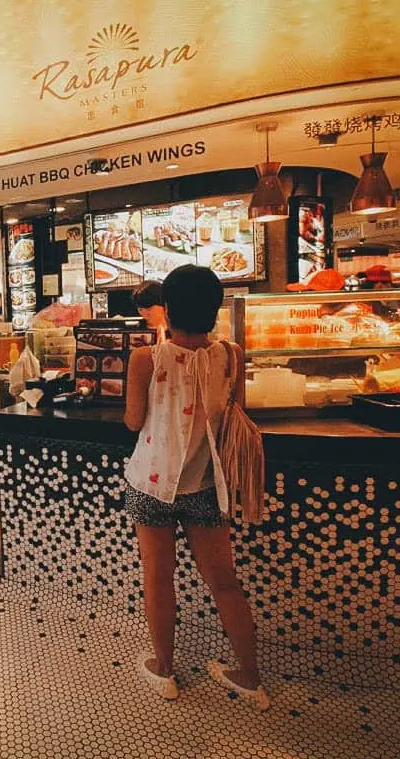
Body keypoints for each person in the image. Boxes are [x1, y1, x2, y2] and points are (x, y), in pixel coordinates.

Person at [122, 268, 267, 709]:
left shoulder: (147, 358)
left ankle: (164, 670)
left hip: (151, 482)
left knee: (158, 577)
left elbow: (132, 421)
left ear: (168, 307)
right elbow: (232, 410)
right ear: (216, 307)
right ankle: (249, 677)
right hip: (207, 483)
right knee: (224, 581)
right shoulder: (232, 355)